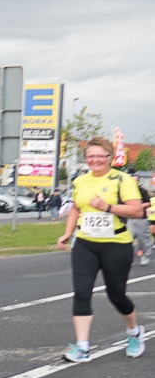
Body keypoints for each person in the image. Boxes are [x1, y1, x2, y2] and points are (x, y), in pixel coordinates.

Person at [56, 136, 145, 362]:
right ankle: (83, 347)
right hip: (85, 243)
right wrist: (68, 233)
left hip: (116, 245)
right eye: (91, 156)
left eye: (100, 156)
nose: (95, 160)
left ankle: (134, 332)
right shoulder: (80, 181)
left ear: (109, 158)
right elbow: (76, 208)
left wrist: (106, 206)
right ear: (86, 159)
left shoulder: (122, 179)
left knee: (116, 296)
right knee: (81, 293)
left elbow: (136, 211)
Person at [128, 180, 152, 266]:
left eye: (135, 180)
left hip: (141, 219)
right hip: (130, 218)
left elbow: (149, 203)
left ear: (138, 182)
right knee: (128, 239)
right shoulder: (126, 191)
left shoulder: (142, 191)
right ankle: (129, 258)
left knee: (143, 239)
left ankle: (145, 256)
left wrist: (140, 206)